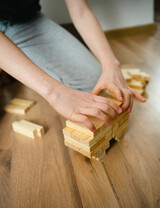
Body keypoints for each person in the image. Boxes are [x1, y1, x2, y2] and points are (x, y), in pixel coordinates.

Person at [0, 0, 145, 132]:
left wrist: (111, 65)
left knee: (93, 81)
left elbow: (80, 10)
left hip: (25, 21)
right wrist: (55, 93)